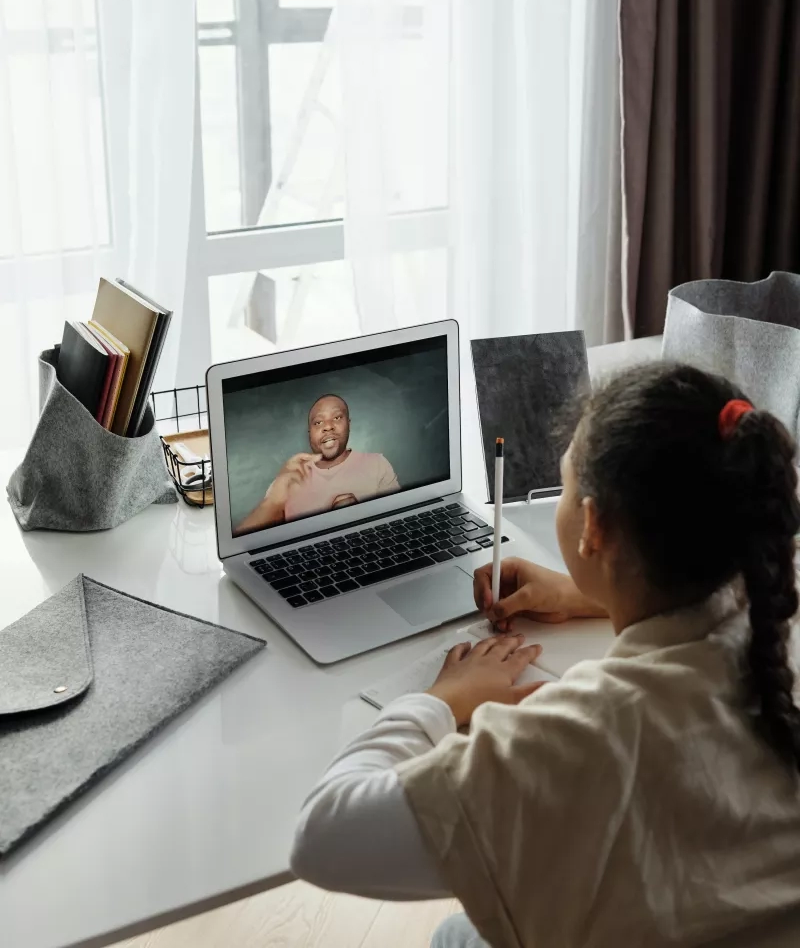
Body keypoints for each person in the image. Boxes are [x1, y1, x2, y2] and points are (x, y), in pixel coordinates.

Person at [291, 363, 800, 948]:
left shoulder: (579, 737)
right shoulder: (779, 603)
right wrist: (591, 593)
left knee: (455, 938)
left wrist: (441, 700)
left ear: (592, 527)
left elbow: (323, 835)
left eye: (565, 486)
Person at [235, 393, 399, 534]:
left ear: (349, 424)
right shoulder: (289, 478)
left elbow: (396, 528)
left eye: (337, 418)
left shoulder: (377, 464)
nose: (328, 427)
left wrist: (358, 516)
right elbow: (245, 544)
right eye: (318, 422)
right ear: (310, 433)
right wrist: (273, 500)